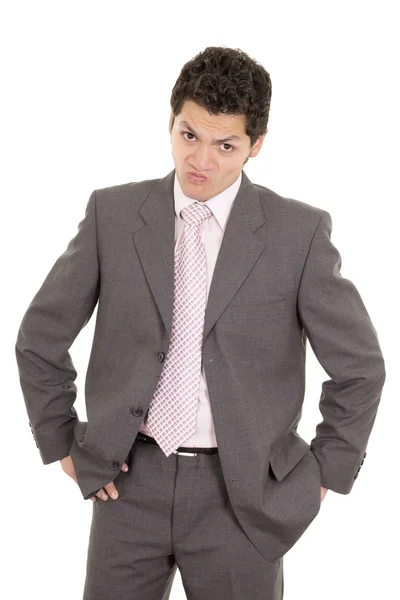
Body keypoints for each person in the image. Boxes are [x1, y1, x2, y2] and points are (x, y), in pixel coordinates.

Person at [15, 46, 386, 600]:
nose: (201, 161)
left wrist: (323, 475)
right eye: (189, 135)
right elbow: (40, 339)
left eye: (225, 145)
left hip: (241, 500)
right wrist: (62, 441)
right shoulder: (112, 217)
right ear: (171, 122)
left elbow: (359, 369)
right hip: (126, 485)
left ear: (255, 146)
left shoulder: (297, 235)